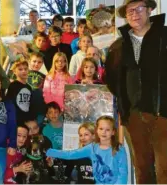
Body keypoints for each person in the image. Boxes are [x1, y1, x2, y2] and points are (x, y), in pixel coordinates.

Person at [105, 0, 167, 183]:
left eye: (139, 8)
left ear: (149, 10)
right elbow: (111, 79)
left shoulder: (164, 37)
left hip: (163, 115)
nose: (134, 14)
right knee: (142, 168)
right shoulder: (118, 46)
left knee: (165, 168)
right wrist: (125, 107)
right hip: (133, 117)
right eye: (130, 10)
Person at [46, 115, 128, 184]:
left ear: (113, 132)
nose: (104, 132)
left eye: (107, 130)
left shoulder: (119, 149)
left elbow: (123, 174)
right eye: (101, 129)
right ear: (96, 130)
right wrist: (48, 151)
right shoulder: (91, 148)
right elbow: (70, 154)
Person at [6, 59, 33, 126]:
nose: (23, 71)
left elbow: (29, 104)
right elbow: (9, 102)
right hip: (15, 119)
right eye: (20, 69)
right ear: (14, 71)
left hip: (25, 119)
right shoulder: (13, 85)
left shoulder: (29, 87)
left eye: (25, 69)